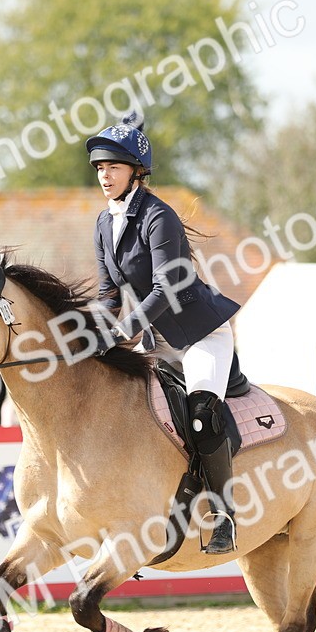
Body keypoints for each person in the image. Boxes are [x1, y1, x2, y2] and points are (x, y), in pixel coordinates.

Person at [85, 115, 242, 554]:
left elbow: (166, 285)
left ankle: (225, 515)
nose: (104, 175)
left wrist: (127, 328)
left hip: (200, 335)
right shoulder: (103, 222)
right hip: (157, 339)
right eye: (99, 169)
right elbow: (107, 294)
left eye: (112, 168)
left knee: (199, 414)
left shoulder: (159, 216)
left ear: (137, 170)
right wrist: (90, 332)